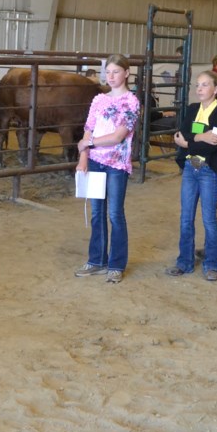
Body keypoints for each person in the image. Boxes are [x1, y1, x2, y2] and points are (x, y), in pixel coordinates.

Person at [165, 70, 217, 282]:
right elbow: (181, 134)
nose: (199, 89)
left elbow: (213, 145)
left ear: (216, 89)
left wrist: (189, 142)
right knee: (186, 217)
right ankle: (184, 261)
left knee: (209, 218)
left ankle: (211, 264)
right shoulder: (192, 109)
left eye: (204, 85)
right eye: (198, 85)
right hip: (193, 166)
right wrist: (199, 138)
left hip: (209, 170)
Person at [74, 54, 141, 284]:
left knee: (115, 213)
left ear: (126, 73)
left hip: (116, 164)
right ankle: (96, 260)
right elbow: (88, 129)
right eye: (108, 72)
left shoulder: (131, 101)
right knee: (97, 213)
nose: (111, 76)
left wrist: (88, 145)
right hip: (95, 162)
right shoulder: (98, 100)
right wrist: (84, 157)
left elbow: (118, 136)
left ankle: (116, 264)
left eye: (116, 72)